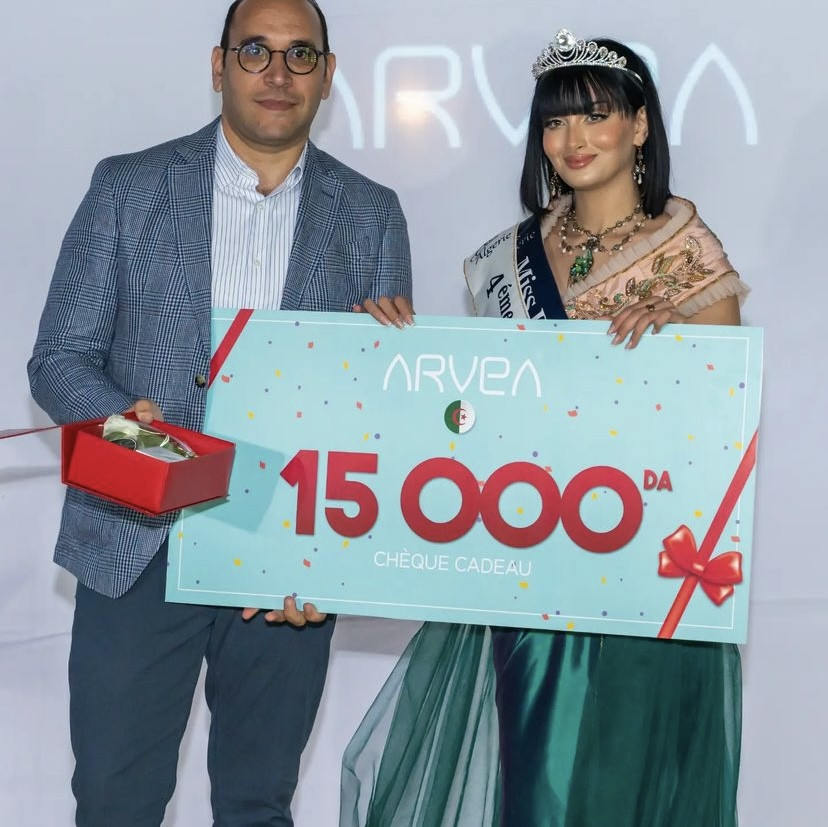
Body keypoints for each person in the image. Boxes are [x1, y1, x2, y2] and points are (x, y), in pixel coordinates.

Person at [341, 29, 746, 827]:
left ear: (638, 125)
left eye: (596, 116)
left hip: (639, 571)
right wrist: (396, 350)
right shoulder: (506, 260)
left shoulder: (688, 256)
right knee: (539, 792)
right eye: (555, 122)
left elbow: (719, 427)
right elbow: (479, 421)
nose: (573, 139)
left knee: (621, 792)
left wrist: (679, 345)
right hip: (532, 570)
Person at [28, 0, 412, 824]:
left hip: (285, 552)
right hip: (138, 539)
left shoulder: (371, 211)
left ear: (328, 76)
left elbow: (376, 414)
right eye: (255, 51)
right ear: (218, 65)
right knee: (114, 800)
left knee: (256, 802)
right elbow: (58, 358)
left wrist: (333, 555)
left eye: (301, 55)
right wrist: (133, 434)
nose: (278, 73)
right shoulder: (128, 187)